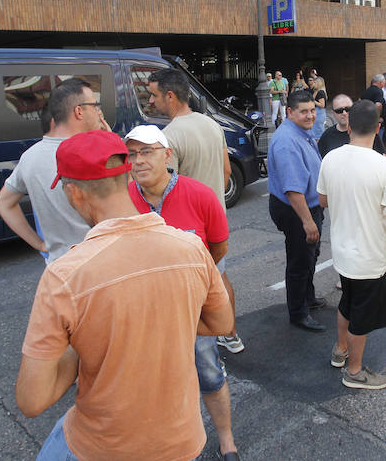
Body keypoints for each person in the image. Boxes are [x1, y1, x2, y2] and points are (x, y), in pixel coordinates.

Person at [16, 130, 233, 460]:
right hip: (182, 440)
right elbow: (221, 322)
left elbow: (32, 400)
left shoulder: (65, 275)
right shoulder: (190, 247)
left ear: (73, 193)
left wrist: (82, 346)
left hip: (102, 446)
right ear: (126, 173)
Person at [123, 125, 239, 460]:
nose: (139, 160)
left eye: (147, 152)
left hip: (193, 310)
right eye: (132, 154)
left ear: (167, 155)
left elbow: (218, 248)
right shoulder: (124, 200)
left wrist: (193, 283)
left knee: (208, 372)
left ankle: (226, 441)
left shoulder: (199, 194)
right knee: (156, 382)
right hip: (146, 313)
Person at [146, 68, 244, 353]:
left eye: (153, 95)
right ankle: (230, 333)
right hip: (216, 225)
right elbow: (226, 171)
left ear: (170, 96)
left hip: (187, 233)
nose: (150, 102)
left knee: (194, 295)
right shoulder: (211, 124)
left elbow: (166, 190)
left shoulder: (169, 138)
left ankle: (206, 353)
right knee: (219, 279)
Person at [318, 100, 386, 390]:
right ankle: (355, 372)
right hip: (370, 256)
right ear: (379, 127)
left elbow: (322, 201)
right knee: (363, 314)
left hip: (343, 252)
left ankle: (340, 350)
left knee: (347, 302)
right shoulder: (385, 167)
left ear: (349, 126)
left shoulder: (330, 159)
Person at [0, 78, 108, 264]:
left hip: (58, 266)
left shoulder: (29, 157)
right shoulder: (95, 151)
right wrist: (111, 144)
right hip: (98, 264)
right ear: (79, 111)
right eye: (95, 105)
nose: (99, 111)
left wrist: (40, 244)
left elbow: (3, 203)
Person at [267, 90, 326, 332]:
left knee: (311, 254)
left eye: (312, 110)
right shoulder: (287, 141)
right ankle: (298, 313)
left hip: (308, 206)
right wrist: (307, 222)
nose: (310, 115)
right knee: (300, 260)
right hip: (296, 209)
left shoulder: (300, 131)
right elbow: (293, 189)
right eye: (304, 111)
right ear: (289, 112)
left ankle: (308, 298)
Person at [319, 94, 385, 157]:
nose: (344, 113)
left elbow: (381, 157)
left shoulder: (367, 131)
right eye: (339, 110)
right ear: (333, 113)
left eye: (348, 109)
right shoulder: (327, 136)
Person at [362, 74, 386, 139]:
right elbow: (378, 105)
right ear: (380, 82)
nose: (384, 84)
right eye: (384, 82)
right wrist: (377, 118)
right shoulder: (379, 91)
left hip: (367, 120)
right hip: (375, 123)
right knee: (377, 141)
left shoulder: (366, 90)